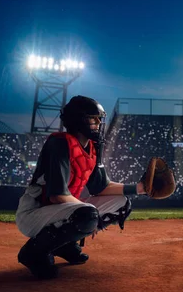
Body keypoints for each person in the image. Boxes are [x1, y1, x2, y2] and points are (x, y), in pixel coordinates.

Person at [15, 95, 146, 279]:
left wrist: (139, 188)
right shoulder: (59, 143)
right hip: (35, 212)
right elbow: (57, 196)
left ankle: (64, 244)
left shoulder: (93, 147)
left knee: (122, 203)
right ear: (79, 120)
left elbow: (101, 187)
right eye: (93, 118)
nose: (99, 122)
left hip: (61, 211)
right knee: (88, 214)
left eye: (99, 118)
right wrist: (90, 213)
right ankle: (33, 253)